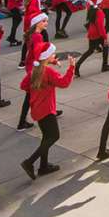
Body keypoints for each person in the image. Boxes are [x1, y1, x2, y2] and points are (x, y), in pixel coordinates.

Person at [22, 41, 74, 179]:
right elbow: (64, 83)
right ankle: (29, 162)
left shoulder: (36, 70)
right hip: (47, 110)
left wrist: (36, 91)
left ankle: (43, 166)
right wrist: (71, 68)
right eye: (52, 54)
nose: (55, 55)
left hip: (37, 110)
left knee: (46, 137)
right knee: (54, 136)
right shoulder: (48, 72)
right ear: (47, 56)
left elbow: (23, 85)